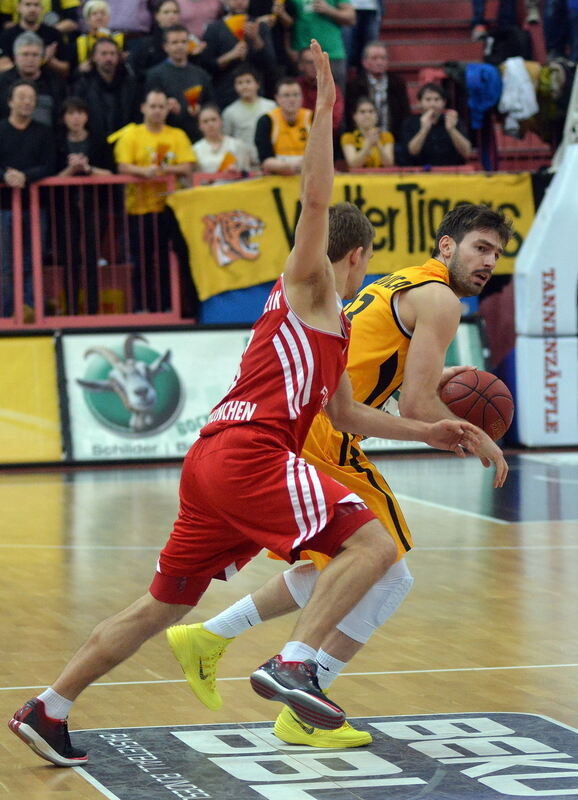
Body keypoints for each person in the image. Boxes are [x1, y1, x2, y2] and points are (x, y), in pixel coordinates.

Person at [8, 40, 481, 766]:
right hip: (248, 451)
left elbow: (349, 418)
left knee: (163, 605)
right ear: (354, 258)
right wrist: (325, 104)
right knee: (375, 546)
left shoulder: (336, 327)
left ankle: (52, 706)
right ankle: (294, 664)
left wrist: (433, 431)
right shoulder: (312, 285)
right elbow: (317, 198)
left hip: (211, 463)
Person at [165, 201, 511, 749]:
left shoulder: (405, 282)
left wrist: (436, 372)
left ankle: (209, 637)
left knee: (349, 563)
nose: (489, 260)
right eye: (480, 247)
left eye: (496, 252)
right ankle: (298, 699)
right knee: (387, 570)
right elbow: (418, 406)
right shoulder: (442, 298)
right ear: (446, 246)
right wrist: (479, 434)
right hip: (329, 430)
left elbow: (384, 367)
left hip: (315, 422)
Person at [111, 87, 196, 312]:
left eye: (161, 107)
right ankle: (143, 307)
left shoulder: (176, 135)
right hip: (139, 209)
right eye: (153, 106)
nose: (157, 111)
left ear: (167, 109)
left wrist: (166, 169)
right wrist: (143, 172)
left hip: (170, 207)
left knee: (168, 260)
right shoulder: (131, 135)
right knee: (142, 260)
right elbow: (122, 165)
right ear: (143, 108)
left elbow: (188, 165)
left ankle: (171, 306)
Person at [0, 79, 56, 318]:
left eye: (31, 99)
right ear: (10, 101)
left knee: (32, 259)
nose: (27, 102)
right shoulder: (1, 129)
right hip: (2, 206)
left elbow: (50, 164)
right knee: (5, 262)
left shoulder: (43, 132)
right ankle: (7, 311)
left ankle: (31, 308)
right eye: (21, 97)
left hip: (34, 206)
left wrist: (25, 176)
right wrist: (6, 175)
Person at [55, 96, 114, 315]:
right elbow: (52, 176)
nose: (76, 118)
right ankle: (70, 308)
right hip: (64, 208)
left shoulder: (98, 140)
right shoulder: (58, 142)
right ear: (64, 118)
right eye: (71, 113)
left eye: (80, 113)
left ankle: (92, 309)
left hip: (94, 205)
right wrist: (71, 170)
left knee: (91, 257)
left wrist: (88, 169)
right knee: (70, 258)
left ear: (87, 116)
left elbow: (110, 172)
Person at [145, 23, 215, 143]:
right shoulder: (154, 75)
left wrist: (201, 109)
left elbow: (211, 104)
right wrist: (166, 107)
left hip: (196, 136)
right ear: (165, 47)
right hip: (165, 137)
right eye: (175, 43)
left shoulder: (201, 74)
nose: (180, 46)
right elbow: (147, 108)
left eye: (183, 42)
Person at [202, 0, 277, 108]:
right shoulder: (214, 28)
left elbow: (270, 64)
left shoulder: (259, 26)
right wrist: (230, 56)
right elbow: (206, 66)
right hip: (225, 94)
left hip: (256, 95)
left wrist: (256, 39)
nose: (239, 2)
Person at [72, 37, 140, 140]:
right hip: (94, 142)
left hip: (126, 141)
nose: (109, 58)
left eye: (113, 54)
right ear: (94, 57)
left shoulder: (130, 83)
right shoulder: (83, 85)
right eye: (104, 54)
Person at [285, 0, 354, 95]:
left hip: (332, 54)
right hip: (304, 57)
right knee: (302, 102)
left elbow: (351, 18)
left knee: (335, 101)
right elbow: (287, 23)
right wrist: (289, 47)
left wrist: (329, 10)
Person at [345, 40, 410, 141]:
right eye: (374, 58)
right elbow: (349, 116)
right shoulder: (354, 85)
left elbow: (405, 114)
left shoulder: (398, 83)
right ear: (365, 62)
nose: (379, 62)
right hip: (361, 140)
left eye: (383, 58)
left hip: (394, 139)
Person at [0, 32, 65, 128]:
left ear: (42, 57)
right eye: (25, 54)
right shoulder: (2, 82)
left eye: (35, 55)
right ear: (15, 57)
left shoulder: (55, 82)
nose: (30, 59)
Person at [399, 82, 472, 167]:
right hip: (420, 173)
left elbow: (467, 152)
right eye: (428, 100)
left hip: (451, 172)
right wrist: (424, 130)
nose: (432, 104)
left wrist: (452, 130)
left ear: (444, 102)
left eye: (437, 99)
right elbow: (412, 151)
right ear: (419, 102)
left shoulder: (452, 120)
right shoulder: (409, 122)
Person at [254, 75, 311, 174]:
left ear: (302, 97)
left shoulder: (312, 118)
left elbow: (324, 153)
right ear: (277, 98)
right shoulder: (266, 120)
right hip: (278, 177)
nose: (292, 100)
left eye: (296, 95)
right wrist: (291, 167)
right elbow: (265, 160)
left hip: (309, 175)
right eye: (286, 95)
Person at [221, 64, 275, 167]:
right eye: (240, 83)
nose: (244, 86)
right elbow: (227, 141)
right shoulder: (229, 112)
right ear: (235, 86)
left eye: (248, 82)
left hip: (270, 160)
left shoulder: (271, 107)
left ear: (257, 84)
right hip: (244, 163)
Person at [0, 0, 71, 77]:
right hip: (13, 82)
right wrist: (28, 65)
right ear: (19, 7)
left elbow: (66, 70)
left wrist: (51, 61)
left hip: (47, 83)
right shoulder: (6, 35)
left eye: (36, 5)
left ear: (41, 9)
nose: (32, 9)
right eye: (28, 5)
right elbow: (2, 66)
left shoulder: (54, 34)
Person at [296, 46, 344, 134]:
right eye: (310, 62)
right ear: (301, 65)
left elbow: (335, 121)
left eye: (318, 62)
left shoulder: (331, 87)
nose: (314, 66)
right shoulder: (295, 87)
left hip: (326, 136)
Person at [193, 101, 251, 173]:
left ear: (221, 121)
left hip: (235, 183)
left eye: (213, 119)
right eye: (205, 121)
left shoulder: (237, 144)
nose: (210, 124)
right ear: (200, 126)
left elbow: (247, 173)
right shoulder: (195, 149)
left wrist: (236, 172)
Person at [340, 95, 394, 168]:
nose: (367, 115)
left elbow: (389, 164)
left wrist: (377, 143)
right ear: (354, 116)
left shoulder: (386, 136)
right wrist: (368, 144)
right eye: (362, 112)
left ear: (376, 115)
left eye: (371, 111)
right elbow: (353, 164)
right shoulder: (348, 137)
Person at [73, 0, 125, 73]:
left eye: (103, 13)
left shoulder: (119, 38)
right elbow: (71, 71)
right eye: (94, 14)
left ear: (108, 18)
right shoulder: (80, 41)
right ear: (87, 19)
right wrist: (79, 69)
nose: (99, 17)